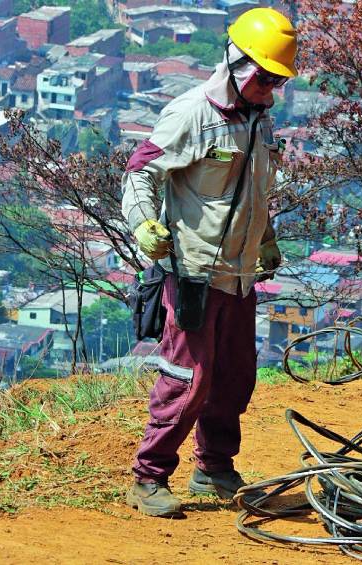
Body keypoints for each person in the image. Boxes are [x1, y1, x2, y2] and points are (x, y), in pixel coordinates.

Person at [121, 8, 297, 517]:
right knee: (188, 375)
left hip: (240, 275)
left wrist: (265, 237)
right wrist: (141, 225)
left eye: (277, 79)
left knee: (236, 375)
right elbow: (140, 173)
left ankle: (214, 467)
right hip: (195, 271)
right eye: (264, 76)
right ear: (236, 63)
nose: (270, 88)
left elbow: (254, 189)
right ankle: (149, 476)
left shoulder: (258, 119)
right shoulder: (190, 113)